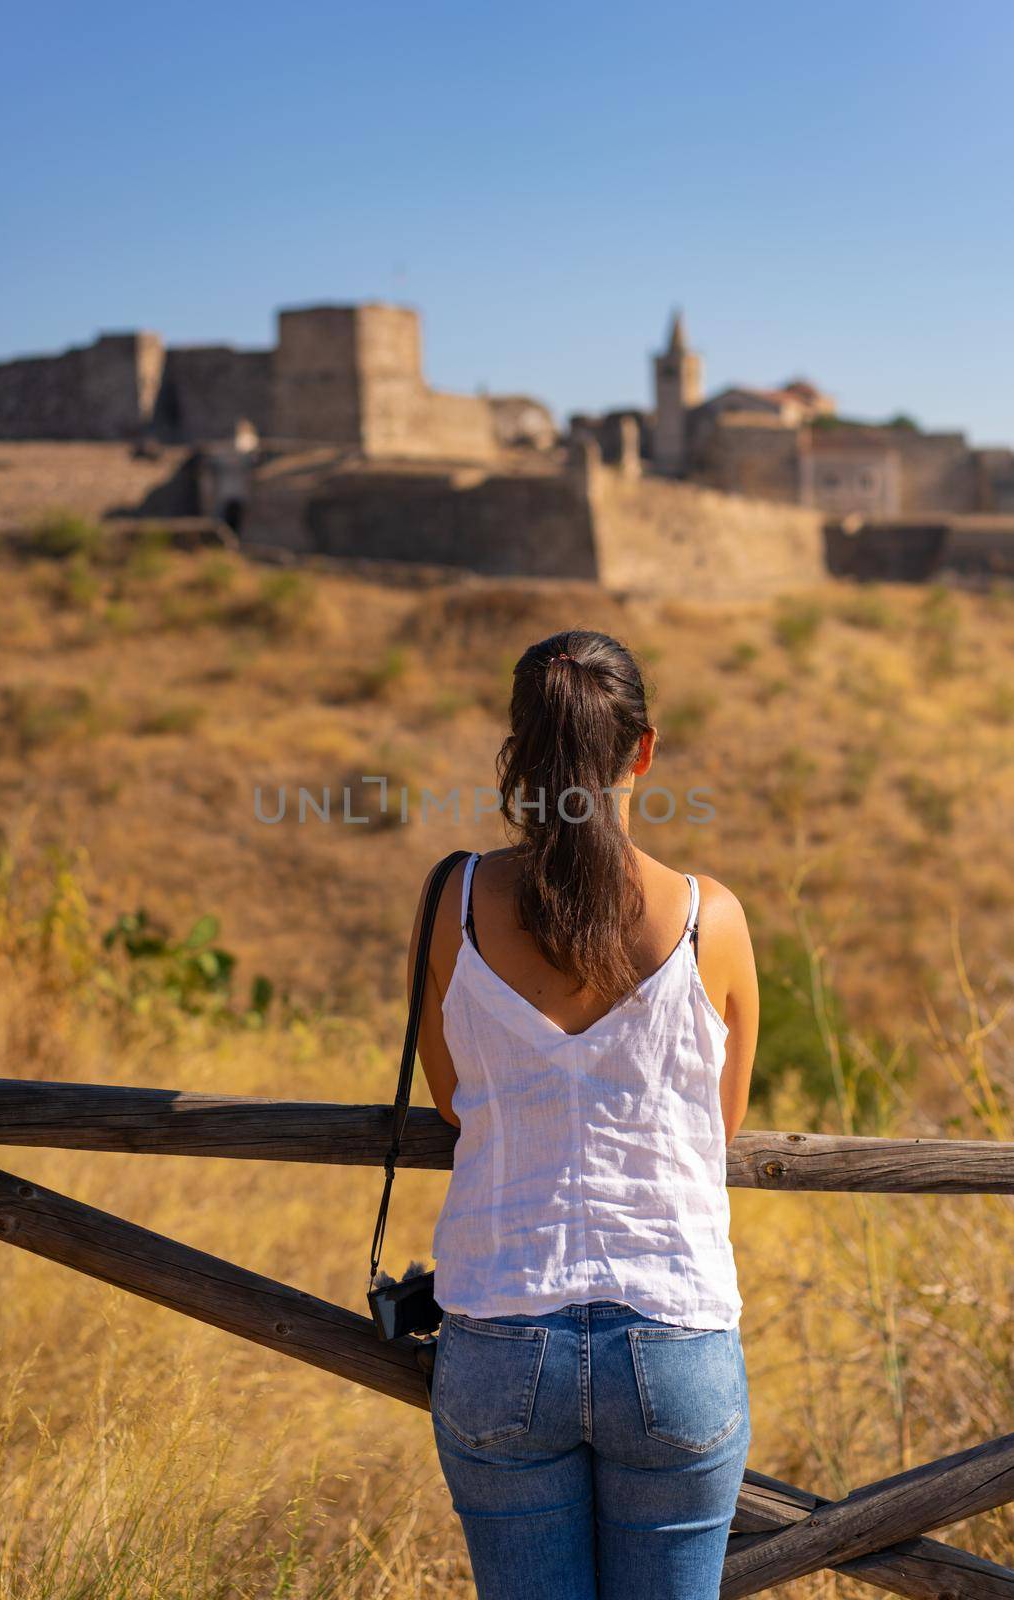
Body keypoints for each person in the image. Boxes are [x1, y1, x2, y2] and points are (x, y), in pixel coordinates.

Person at [406, 628, 759, 1600]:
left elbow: (449, 1099)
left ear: (517, 749)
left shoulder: (456, 901)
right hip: (673, 1330)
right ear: (642, 749)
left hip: (499, 1328)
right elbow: (714, 1131)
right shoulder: (708, 919)